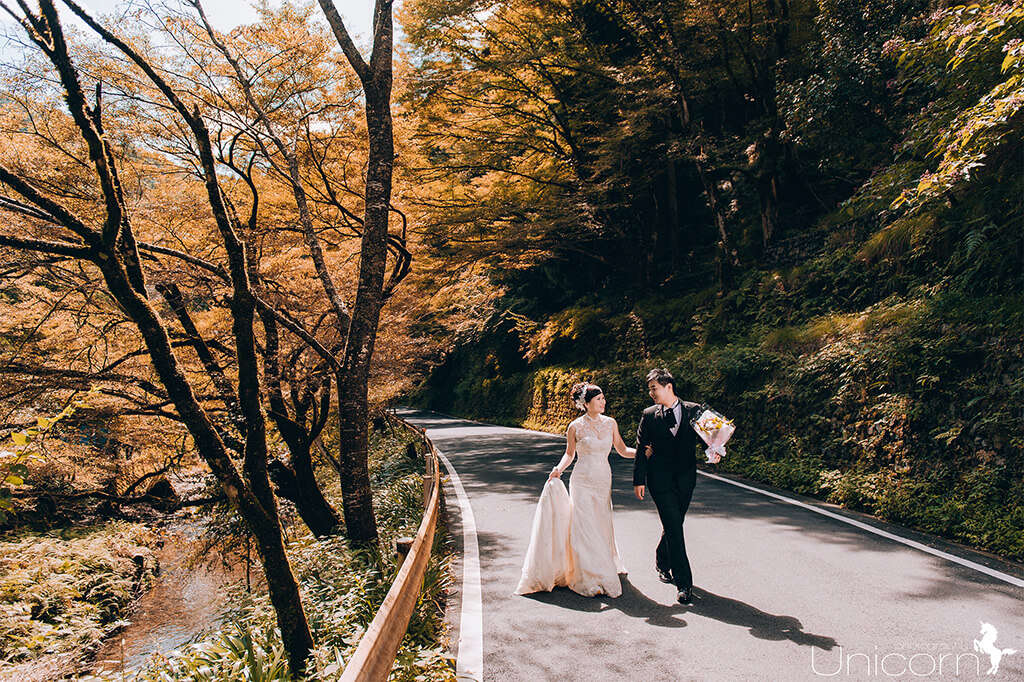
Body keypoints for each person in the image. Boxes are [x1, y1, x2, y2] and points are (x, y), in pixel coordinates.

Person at [515, 382, 636, 597]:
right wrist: (558, 469)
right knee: (584, 525)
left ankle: (602, 564)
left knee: (601, 522)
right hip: (581, 481)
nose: (603, 402)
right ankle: (586, 573)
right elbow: (570, 454)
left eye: (603, 398)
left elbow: (622, 449)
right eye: (599, 399)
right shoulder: (575, 427)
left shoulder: (611, 424)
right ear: (586, 403)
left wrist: (643, 453)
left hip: (603, 479)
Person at [633, 368, 702, 605]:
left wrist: (715, 450)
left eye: (654, 387)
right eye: (650, 388)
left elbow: (709, 437)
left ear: (668, 387)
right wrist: (638, 479)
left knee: (674, 524)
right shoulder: (649, 415)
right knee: (674, 528)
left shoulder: (694, 410)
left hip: (685, 479)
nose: (650, 392)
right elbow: (642, 448)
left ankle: (662, 559)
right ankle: (684, 584)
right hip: (659, 480)